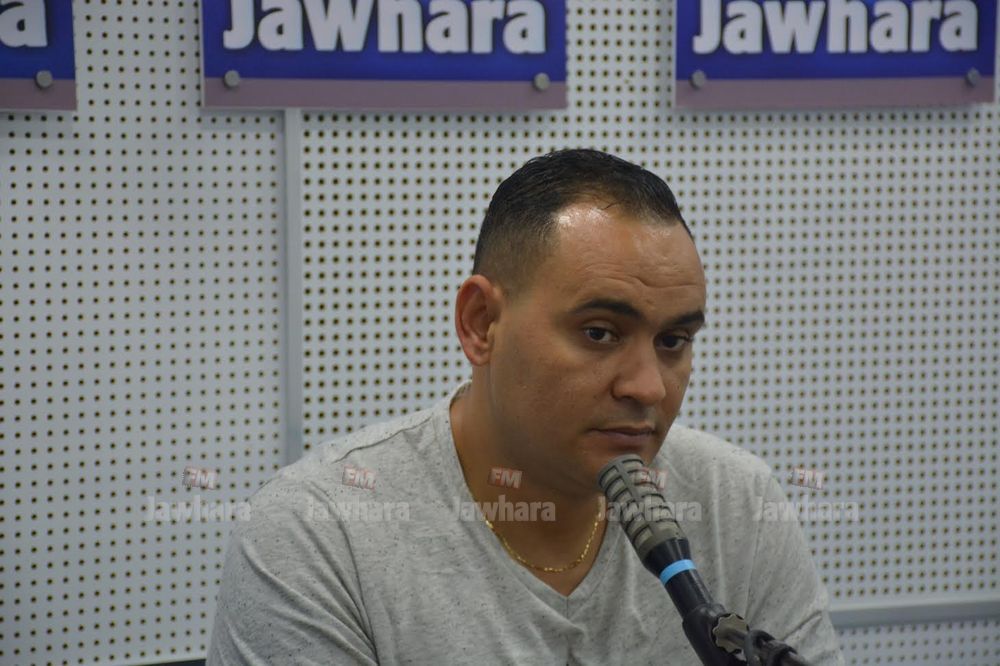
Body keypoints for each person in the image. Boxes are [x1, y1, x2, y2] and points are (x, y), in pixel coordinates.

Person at [207, 149, 845, 665]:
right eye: (600, 332)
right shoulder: (319, 533)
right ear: (481, 323)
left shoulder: (737, 501)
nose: (648, 387)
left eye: (673, 341)